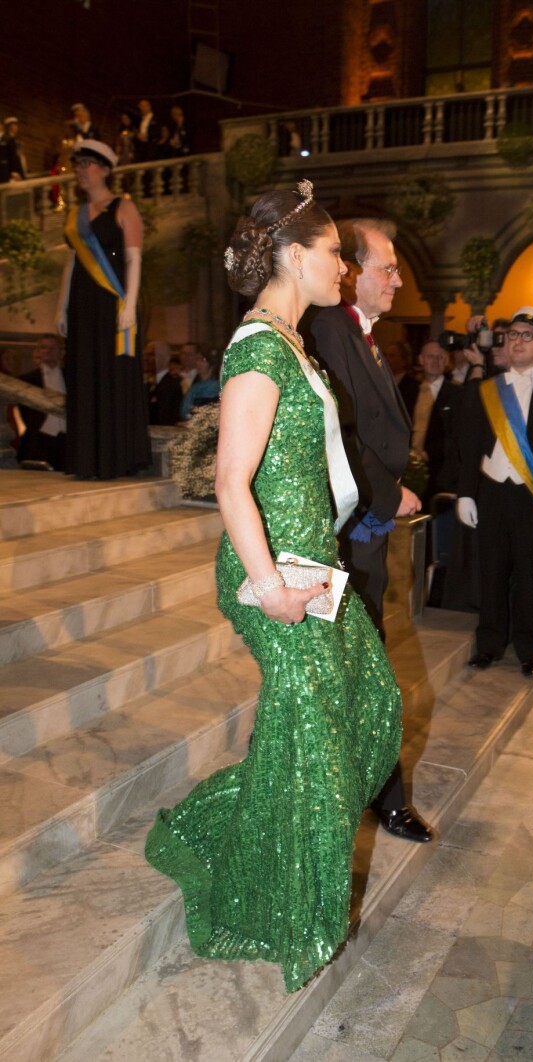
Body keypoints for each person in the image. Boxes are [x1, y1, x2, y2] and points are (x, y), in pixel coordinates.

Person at [145, 181, 403, 993]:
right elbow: (230, 483)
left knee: (369, 705)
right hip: (275, 577)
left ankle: (236, 826)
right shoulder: (259, 349)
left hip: (312, 569)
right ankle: (279, 907)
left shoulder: (291, 341)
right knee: (314, 747)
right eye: (334, 252)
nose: (343, 267)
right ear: (296, 255)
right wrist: (270, 590)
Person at [307, 217, 432, 845]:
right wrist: (391, 491)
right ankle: (379, 798)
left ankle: (370, 792)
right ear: (352, 269)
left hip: (367, 528)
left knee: (362, 671)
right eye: (387, 266)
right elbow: (341, 436)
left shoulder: (365, 334)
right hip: (347, 529)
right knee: (361, 672)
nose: (397, 278)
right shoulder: (330, 327)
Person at [457, 306, 533, 676]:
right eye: (512, 335)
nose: (518, 342)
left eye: (527, 336)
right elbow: (470, 446)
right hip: (493, 492)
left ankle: (529, 649)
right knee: (491, 571)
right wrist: (465, 493)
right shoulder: (487, 390)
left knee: (530, 574)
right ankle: (489, 644)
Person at [55, 139, 151, 479]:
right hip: (82, 305)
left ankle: (116, 459)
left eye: (88, 164)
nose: (81, 171)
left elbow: (134, 259)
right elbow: (70, 264)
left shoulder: (123, 207)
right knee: (84, 374)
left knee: (113, 374)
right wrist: (62, 308)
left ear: (106, 169)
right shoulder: (74, 216)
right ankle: (87, 460)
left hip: (113, 302)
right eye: (78, 165)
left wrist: (130, 305)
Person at [412, 339, 462, 502]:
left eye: (440, 357)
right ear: (421, 360)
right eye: (430, 356)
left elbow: (457, 434)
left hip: (441, 473)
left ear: (446, 361)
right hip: (411, 471)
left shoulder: (457, 394)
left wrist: (429, 453)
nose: (435, 361)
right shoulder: (409, 391)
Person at [14, 334, 66, 470]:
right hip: (40, 439)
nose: (47, 351)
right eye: (43, 348)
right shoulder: (27, 379)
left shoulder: (72, 376)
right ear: (38, 351)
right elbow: (25, 410)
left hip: (67, 439)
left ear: (61, 353)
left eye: (52, 348)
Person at [179, 347, 220, 419]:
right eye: (197, 359)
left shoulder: (214, 386)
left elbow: (205, 411)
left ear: (211, 364)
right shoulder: (196, 385)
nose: (198, 363)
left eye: (203, 360)